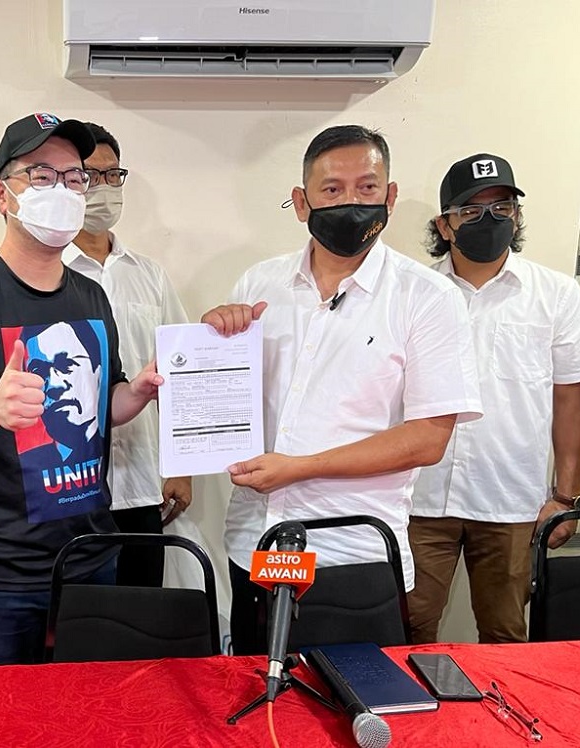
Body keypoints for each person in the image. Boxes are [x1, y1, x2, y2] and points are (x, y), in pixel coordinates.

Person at [200, 125, 483, 655]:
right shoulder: (259, 285)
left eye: (367, 188)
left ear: (390, 197)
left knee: (348, 716)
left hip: (354, 555)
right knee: (255, 706)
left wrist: (301, 467)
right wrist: (208, 344)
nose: (351, 202)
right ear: (302, 203)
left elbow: (427, 439)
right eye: (332, 190)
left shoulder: (428, 298)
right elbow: (223, 400)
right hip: (253, 545)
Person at [0, 113, 163, 667]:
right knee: (0, 724)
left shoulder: (91, 298)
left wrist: (139, 391)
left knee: (89, 716)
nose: (65, 191)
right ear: (3, 194)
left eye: (75, 179)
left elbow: (106, 404)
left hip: (92, 555)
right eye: (42, 176)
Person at [407, 153, 580, 644]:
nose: (489, 220)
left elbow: (570, 403)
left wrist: (566, 498)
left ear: (517, 216)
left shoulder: (556, 294)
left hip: (511, 503)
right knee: (405, 630)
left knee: (506, 636)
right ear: (445, 225)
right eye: (471, 212)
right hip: (418, 500)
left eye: (502, 208)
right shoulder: (411, 292)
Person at [64, 121, 192, 587]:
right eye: (88, 177)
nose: (102, 187)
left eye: (112, 175)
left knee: (139, 623)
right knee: (76, 630)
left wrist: (182, 468)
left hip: (142, 482)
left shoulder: (148, 275)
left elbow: (183, 371)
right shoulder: (44, 275)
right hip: (69, 486)